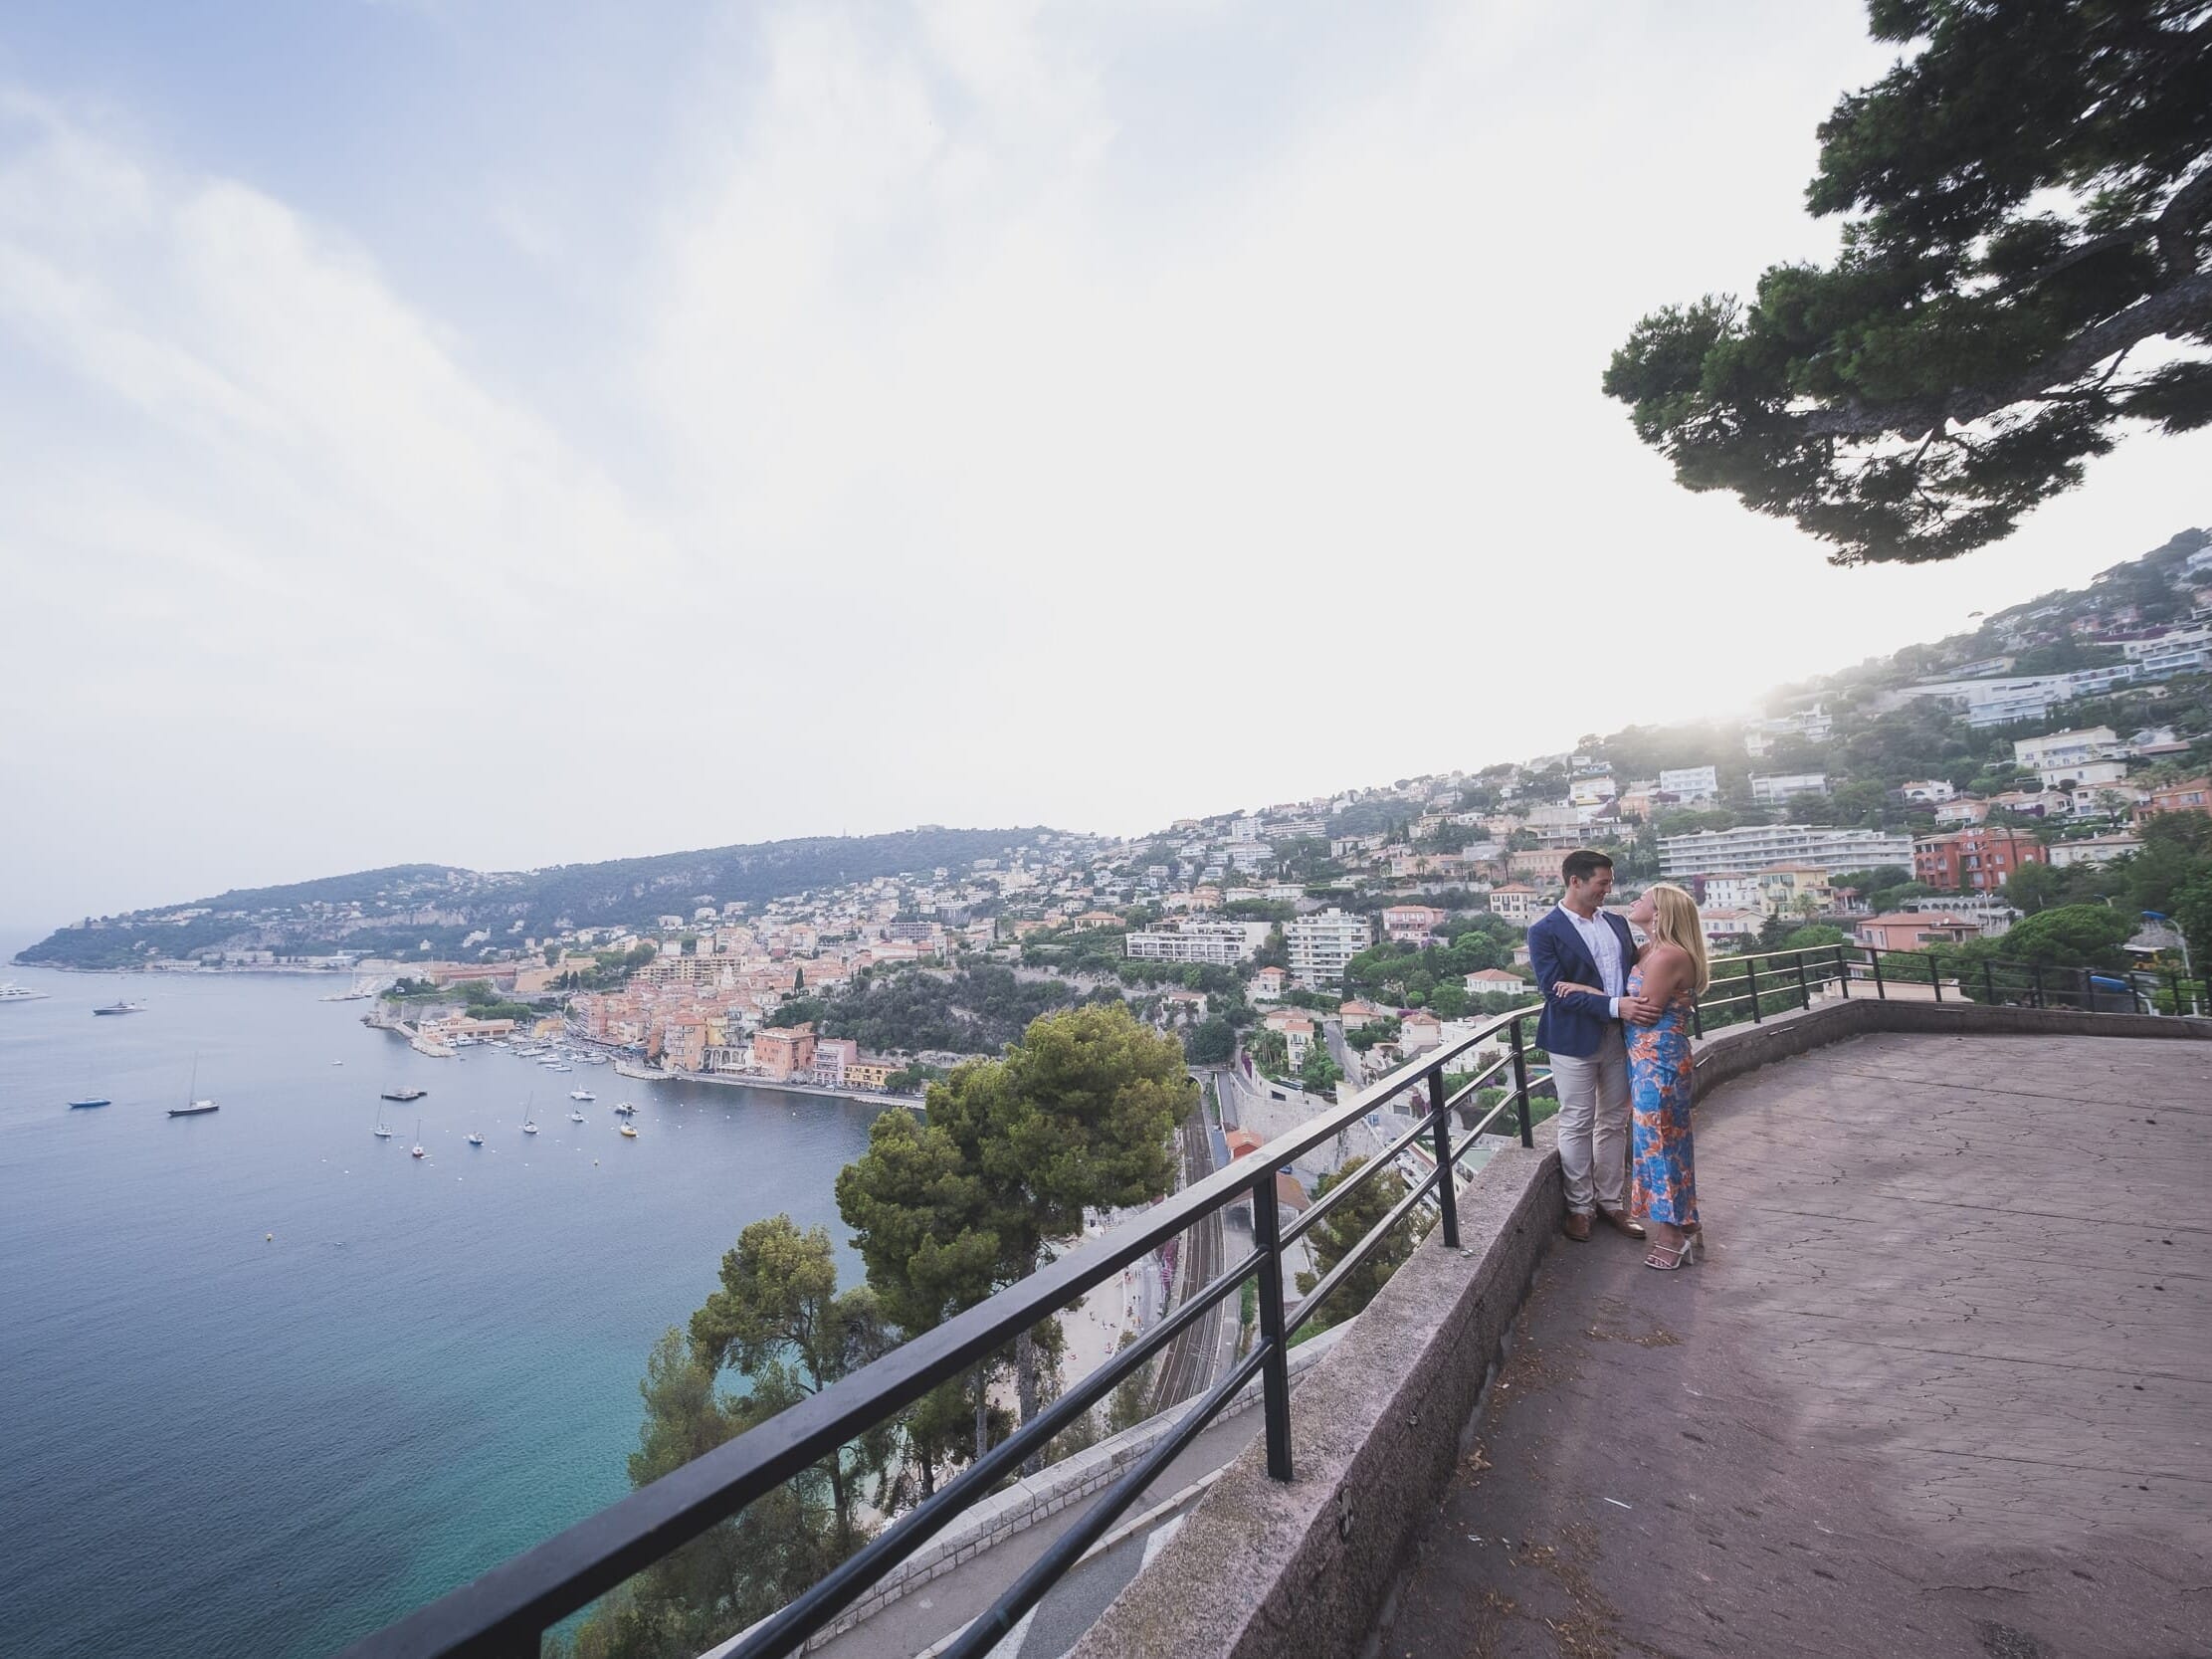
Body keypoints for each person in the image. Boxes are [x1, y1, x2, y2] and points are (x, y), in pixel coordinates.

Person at [1527, 850, 1656, 1243]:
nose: (1608, 889)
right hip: (1572, 1041)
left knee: (1614, 1121)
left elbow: (1634, 969)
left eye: (1609, 883)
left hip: (1618, 1037)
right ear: (1575, 881)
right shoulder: (1544, 931)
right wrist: (1615, 1005)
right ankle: (1579, 1208)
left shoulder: (1616, 923)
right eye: (1602, 882)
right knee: (1578, 1120)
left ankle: (1612, 1203)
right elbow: (1555, 992)